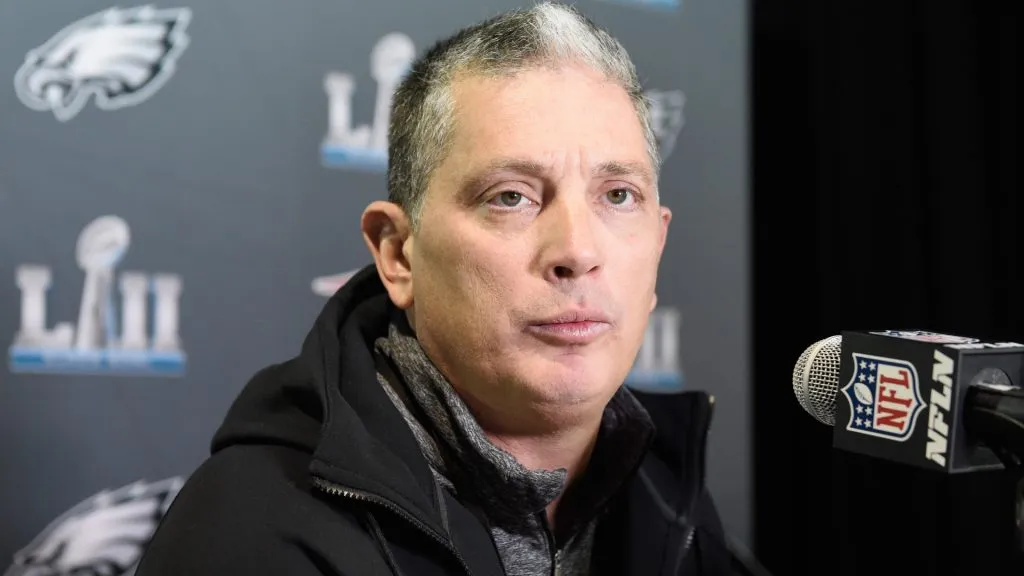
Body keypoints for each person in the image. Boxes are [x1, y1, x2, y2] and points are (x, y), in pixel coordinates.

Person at [137, 3, 740, 575]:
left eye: (618, 196)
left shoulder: (672, 500)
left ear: (657, 247)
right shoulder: (249, 535)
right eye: (511, 197)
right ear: (398, 254)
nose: (578, 252)